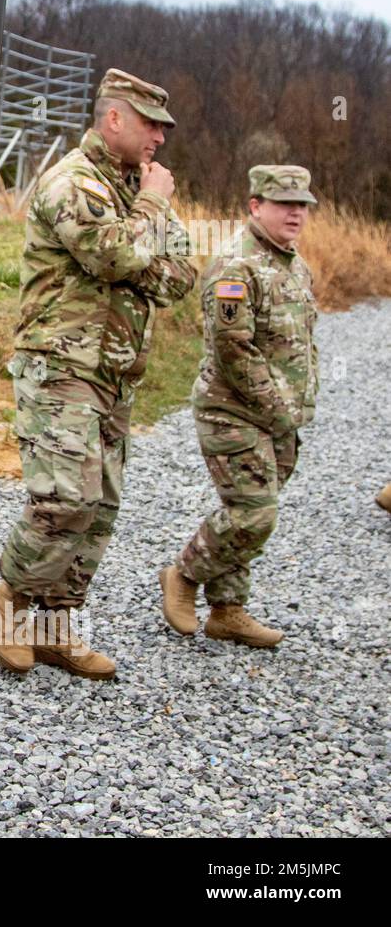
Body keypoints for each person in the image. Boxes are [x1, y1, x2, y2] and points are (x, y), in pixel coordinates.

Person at [0, 69, 196, 679]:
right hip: (61, 367)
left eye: (164, 127)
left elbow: (180, 275)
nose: (161, 137)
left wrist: (136, 251)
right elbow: (113, 255)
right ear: (114, 119)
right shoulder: (71, 182)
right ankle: (10, 603)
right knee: (63, 501)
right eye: (152, 124)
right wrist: (151, 216)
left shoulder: (131, 187)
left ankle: (57, 630)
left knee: (99, 509)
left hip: (115, 373)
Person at [160, 165, 319, 647]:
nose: (295, 213)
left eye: (302, 205)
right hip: (233, 412)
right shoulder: (236, 266)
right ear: (255, 205)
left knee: (247, 511)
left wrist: (298, 406)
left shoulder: (295, 264)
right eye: (283, 203)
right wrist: (277, 406)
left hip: (282, 418)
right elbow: (233, 351)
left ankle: (227, 610)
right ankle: (184, 575)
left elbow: (302, 342)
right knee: (255, 513)